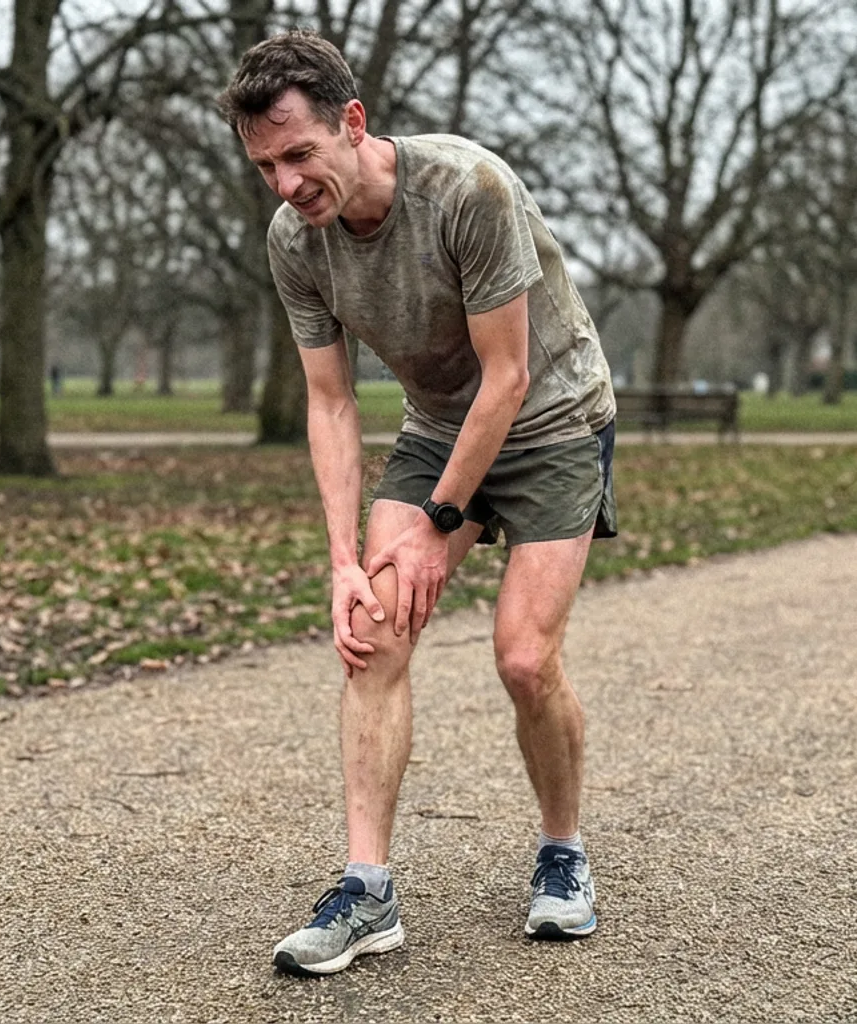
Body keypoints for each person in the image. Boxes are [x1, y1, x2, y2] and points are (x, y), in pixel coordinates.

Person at [218, 30, 618, 976]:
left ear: (352, 124)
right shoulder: (295, 244)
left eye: (299, 154)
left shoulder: (467, 191)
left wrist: (439, 528)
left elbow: (511, 376)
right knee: (374, 633)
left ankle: (562, 853)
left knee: (524, 658)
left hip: (554, 419)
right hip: (443, 427)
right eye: (265, 165)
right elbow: (330, 401)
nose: (284, 184)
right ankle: (367, 890)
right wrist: (344, 563)